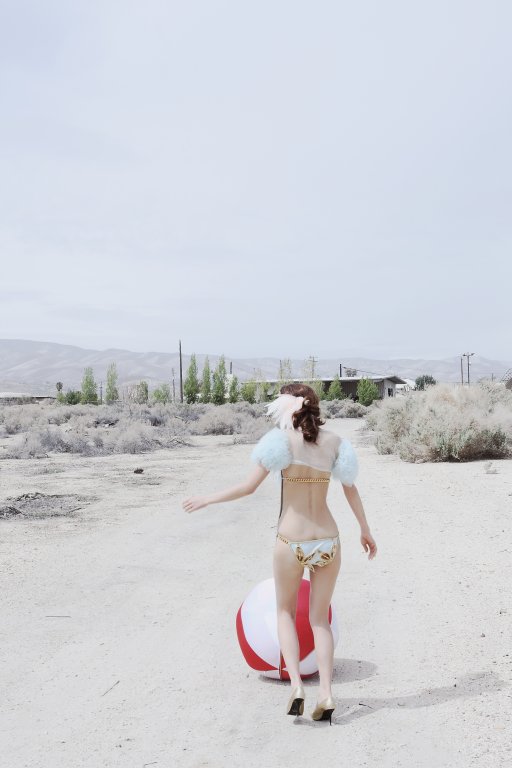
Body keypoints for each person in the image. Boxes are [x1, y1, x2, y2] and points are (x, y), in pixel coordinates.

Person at [182, 383, 377, 723]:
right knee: (319, 620)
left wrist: (207, 499)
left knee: (284, 612)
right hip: (328, 540)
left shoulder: (280, 441)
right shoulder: (336, 443)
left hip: (291, 540)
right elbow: (351, 489)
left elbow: (248, 487)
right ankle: (327, 693)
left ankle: (297, 687)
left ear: (287, 406)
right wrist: (365, 529)